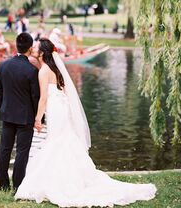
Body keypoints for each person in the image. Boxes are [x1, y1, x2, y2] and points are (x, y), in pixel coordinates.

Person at [14, 38, 157, 207]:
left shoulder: (43, 71)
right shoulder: (54, 69)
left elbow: (44, 98)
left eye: (36, 47)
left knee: (56, 142)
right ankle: (71, 177)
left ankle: (62, 181)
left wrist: (38, 118)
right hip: (62, 109)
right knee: (63, 141)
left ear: (43, 53)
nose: (33, 49)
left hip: (54, 109)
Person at [0, 32, 40, 192]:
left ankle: (3, 185)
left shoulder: (3, 65)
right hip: (25, 117)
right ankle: (18, 186)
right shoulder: (31, 70)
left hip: (7, 114)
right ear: (30, 48)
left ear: (16, 46)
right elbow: (35, 97)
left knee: (4, 149)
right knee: (22, 151)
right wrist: (38, 116)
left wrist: (2, 107)